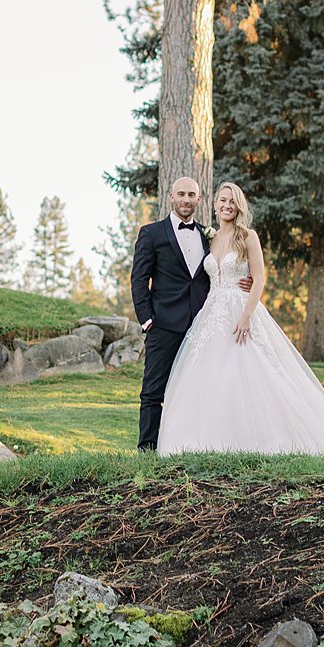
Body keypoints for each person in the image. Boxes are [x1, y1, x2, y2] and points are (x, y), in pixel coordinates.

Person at [156, 180, 324, 458]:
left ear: (239, 206)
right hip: (212, 314)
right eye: (222, 200)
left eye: (232, 201)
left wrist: (246, 315)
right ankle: (203, 439)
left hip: (241, 309)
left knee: (253, 372)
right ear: (213, 204)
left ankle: (265, 435)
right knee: (209, 376)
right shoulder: (209, 238)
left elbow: (259, 279)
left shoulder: (247, 236)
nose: (227, 205)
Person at [130, 175, 224, 451]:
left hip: (200, 326)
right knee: (152, 392)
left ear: (199, 199)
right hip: (163, 325)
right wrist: (147, 320)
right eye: (181, 194)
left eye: (191, 195)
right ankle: (147, 448)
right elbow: (139, 279)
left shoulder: (210, 235)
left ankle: (191, 444)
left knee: (197, 388)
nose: (186, 199)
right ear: (171, 197)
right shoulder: (152, 233)